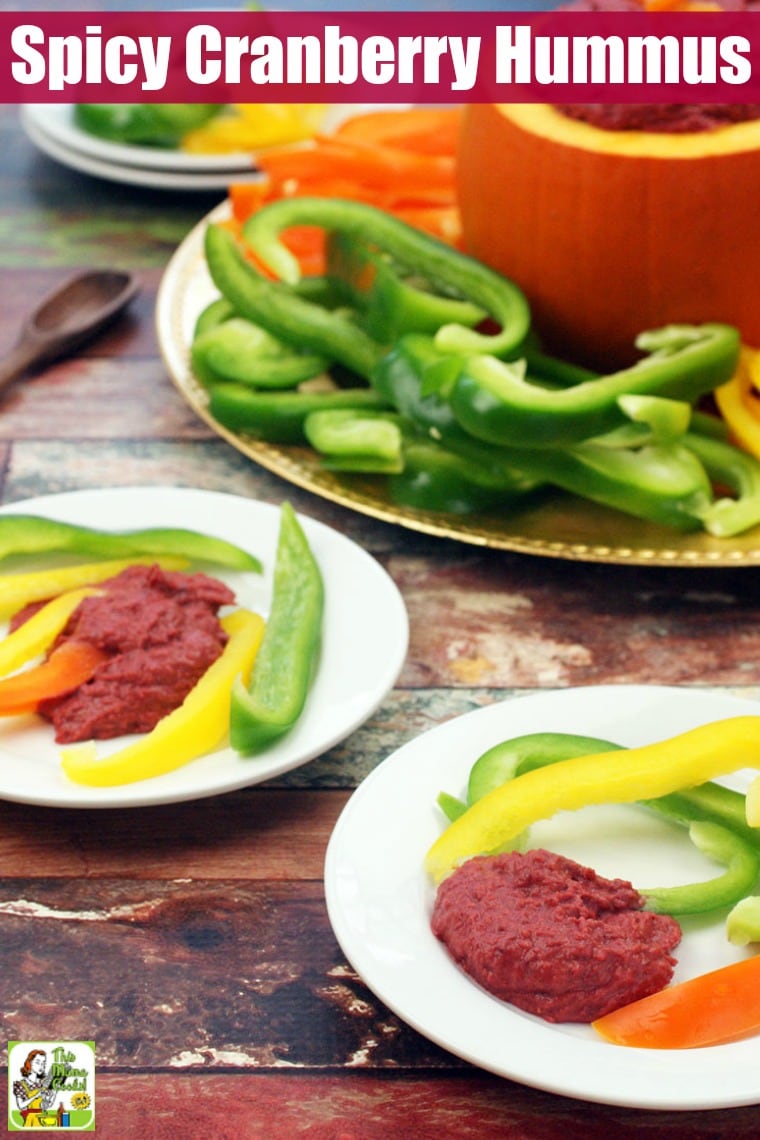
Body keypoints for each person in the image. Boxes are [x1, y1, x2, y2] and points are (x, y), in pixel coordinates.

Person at [12, 1050, 55, 1127]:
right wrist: (35, 1096)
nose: (41, 1066)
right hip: (30, 1119)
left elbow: (47, 1105)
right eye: (38, 1062)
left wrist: (54, 1093)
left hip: (43, 1118)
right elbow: (21, 1106)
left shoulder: (43, 1084)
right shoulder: (20, 1084)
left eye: (43, 1063)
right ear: (29, 1063)